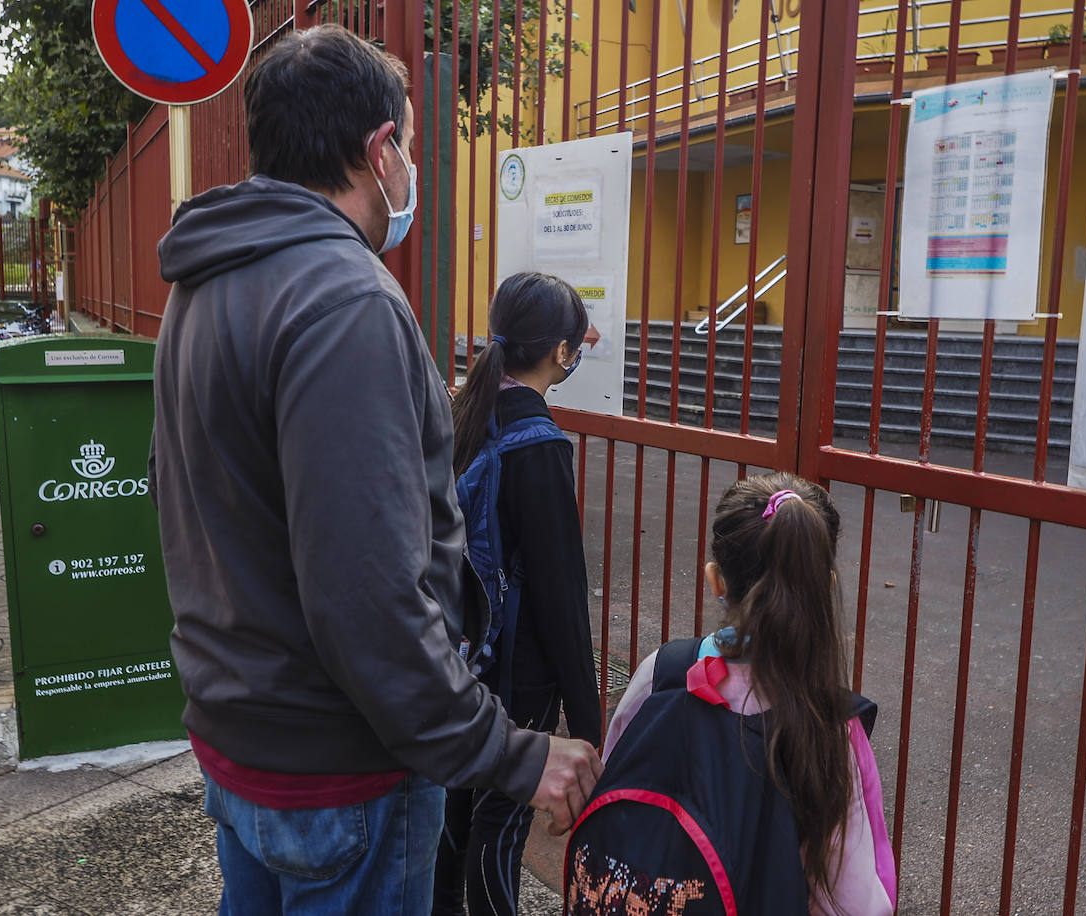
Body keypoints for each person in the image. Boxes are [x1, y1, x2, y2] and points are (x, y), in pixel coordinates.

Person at [149, 25, 599, 913]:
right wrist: (510, 753)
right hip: (340, 775)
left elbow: (184, 501)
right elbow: (370, 595)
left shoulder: (201, 289)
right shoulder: (344, 299)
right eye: (409, 145)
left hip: (241, 742)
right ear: (380, 150)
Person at [599, 473, 896, 915]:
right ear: (824, 584)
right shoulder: (827, 726)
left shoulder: (662, 672)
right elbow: (855, 903)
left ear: (716, 580)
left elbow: (613, 777)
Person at [433, 272, 602, 915]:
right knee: (499, 830)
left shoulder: (466, 413)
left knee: (456, 815)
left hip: (462, 659)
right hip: (518, 674)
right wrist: (588, 726)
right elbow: (561, 597)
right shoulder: (541, 445)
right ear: (562, 352)